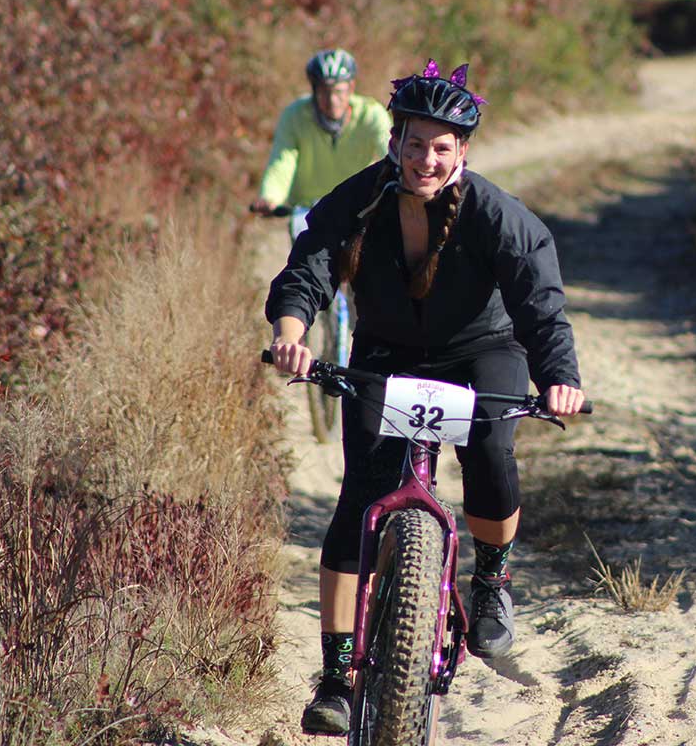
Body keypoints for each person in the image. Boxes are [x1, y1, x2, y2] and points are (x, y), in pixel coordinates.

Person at [264, 58, 586, 735]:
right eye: (415, 144)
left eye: (442, 148)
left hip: (482, 349)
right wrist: (291, 335)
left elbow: (541, 307)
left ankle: (492, 579)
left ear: (462, 151)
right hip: (386, 349)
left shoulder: (498, 216)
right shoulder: (361, 199)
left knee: (493, 448)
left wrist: (559, 379)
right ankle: (335, 674)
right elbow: (309, 268)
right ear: (395, 142)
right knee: (359, 498)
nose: (426, 160)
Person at [249, 48, 391, 215]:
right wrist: (270, 197)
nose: (332, 101)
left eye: (338, 91)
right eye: (324, 91)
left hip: (356, 208)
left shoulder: (371, 115)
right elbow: (282, 160)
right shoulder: (295, 115)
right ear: (314, 89)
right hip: (307, 212)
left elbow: (390, 155)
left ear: (351, 88)